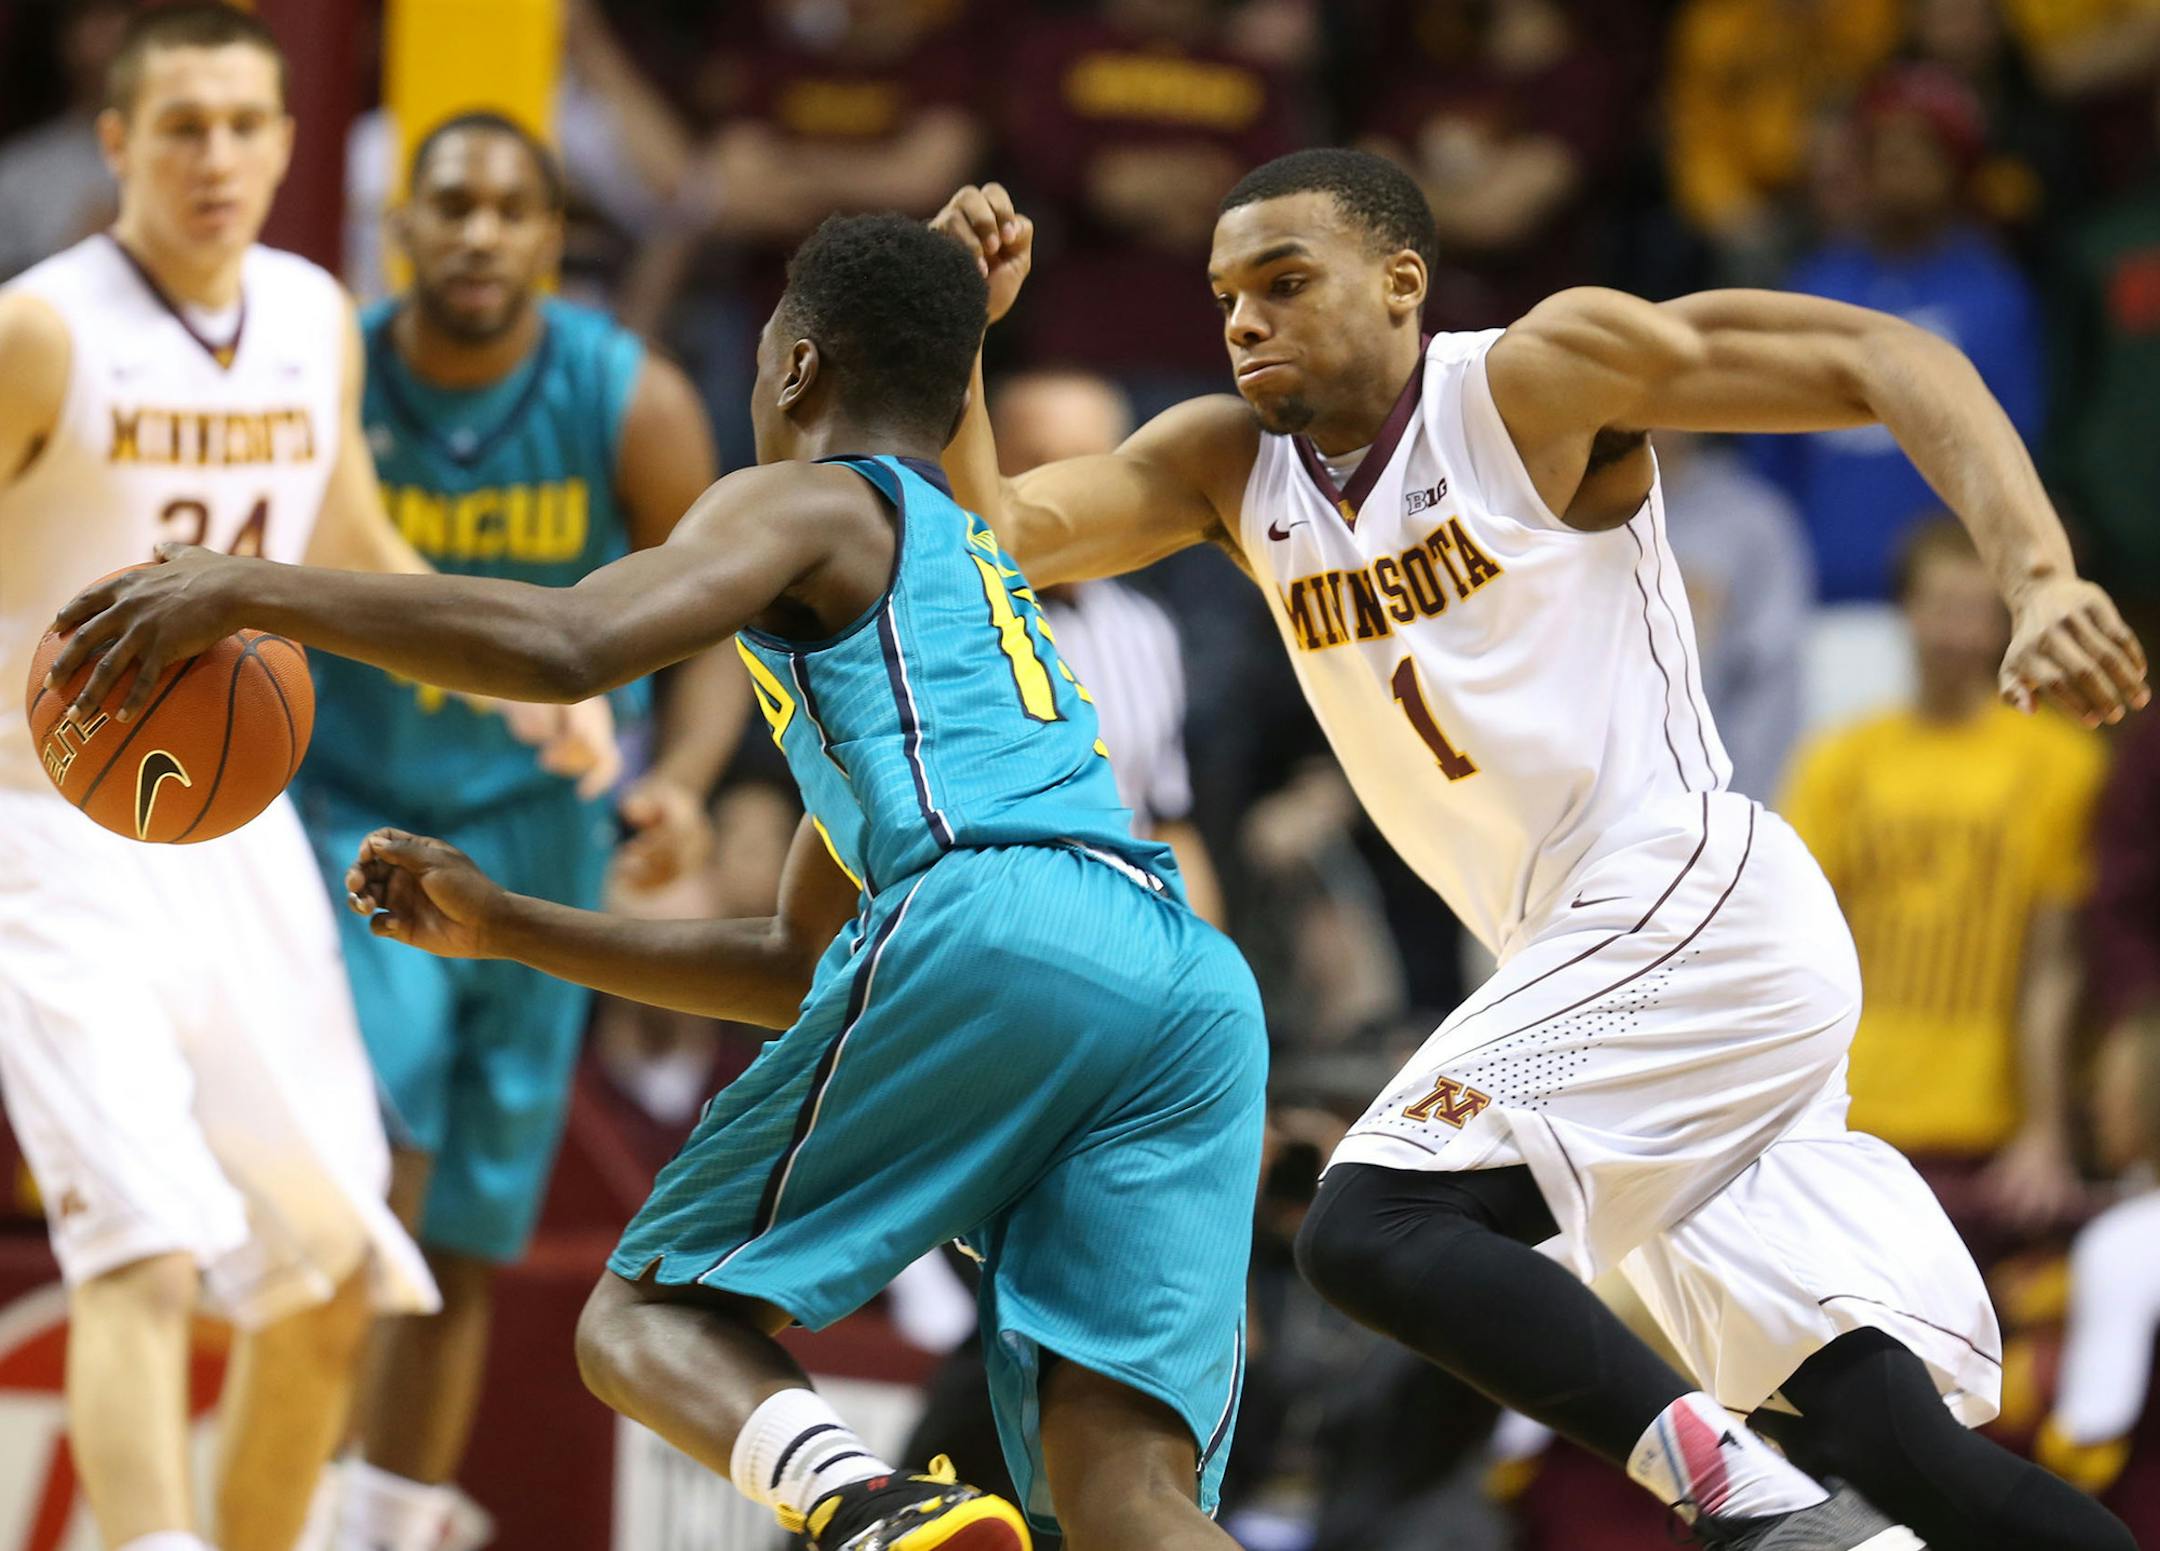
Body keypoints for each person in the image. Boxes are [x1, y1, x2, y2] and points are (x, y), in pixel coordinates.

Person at [928, 149, 2147, 1551]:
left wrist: (2038, 571)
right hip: (1598, 963)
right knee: (1890, 1433)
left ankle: (1748, 1502)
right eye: (1224, 298)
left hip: (1686, 899)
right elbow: (1000, 537)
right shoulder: (1226, 464)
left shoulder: (1530, 385)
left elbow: (1882, 352)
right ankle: (1825, 1514)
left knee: (1370, 1223)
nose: (1244, 321)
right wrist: (960, 341)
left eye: (1283, 281)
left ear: (1403, 285)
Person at [49, 212, 1270, 1551]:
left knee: (648, 1316)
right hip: (1183, 978)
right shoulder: (971, 585)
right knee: (1124, 1494)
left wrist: (250, 587)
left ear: (794, 370)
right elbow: (806, 963)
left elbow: (576, 639)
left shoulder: (812, 495)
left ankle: (871, 1506)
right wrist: (512, 924)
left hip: (995, 911)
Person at [0, 10, 448, 1551]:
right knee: (140, 1239)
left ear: (286, 141)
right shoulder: (39, 329)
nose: (218, 156)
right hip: (40, 826)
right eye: (181, 125)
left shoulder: (316, 311)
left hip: (231, 826)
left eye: (247, 124)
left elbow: (350, 540)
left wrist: (521, 687)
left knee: (330, 1263)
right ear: (116, 142)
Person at [301, 111, 742, 1551]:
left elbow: (726, 633)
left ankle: (386, 1512)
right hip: (349, 810)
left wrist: (675, 777)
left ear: (556, 239)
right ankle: (300, 1482)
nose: (481, 232)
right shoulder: (334, 372)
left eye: (512, 209)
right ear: (404, 229)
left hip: (541, 831)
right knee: (380, 1149)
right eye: (453, 207)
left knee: (467, 1233)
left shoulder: (632, 399)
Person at [1781, 518, 2106, 1249]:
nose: (1957, 634)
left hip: (1989, 1128)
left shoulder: (2060, 765)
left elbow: (2055, 966)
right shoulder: (1838, 762)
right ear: (1905, 610)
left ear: (2004, 625)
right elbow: (1795, 951)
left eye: (1978, 612)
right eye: (1941, 608)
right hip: (1851, 1112)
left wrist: (2047, 1130)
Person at [1749, 65, 2044, 603]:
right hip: (1819, 598)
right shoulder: (1810, 289)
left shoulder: (1994, 293)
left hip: (1955, 610)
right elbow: (1769, 459)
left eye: (1920, 151)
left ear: (1956, 167)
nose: (1897, 167)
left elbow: (2015, 453)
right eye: (1882, 151)